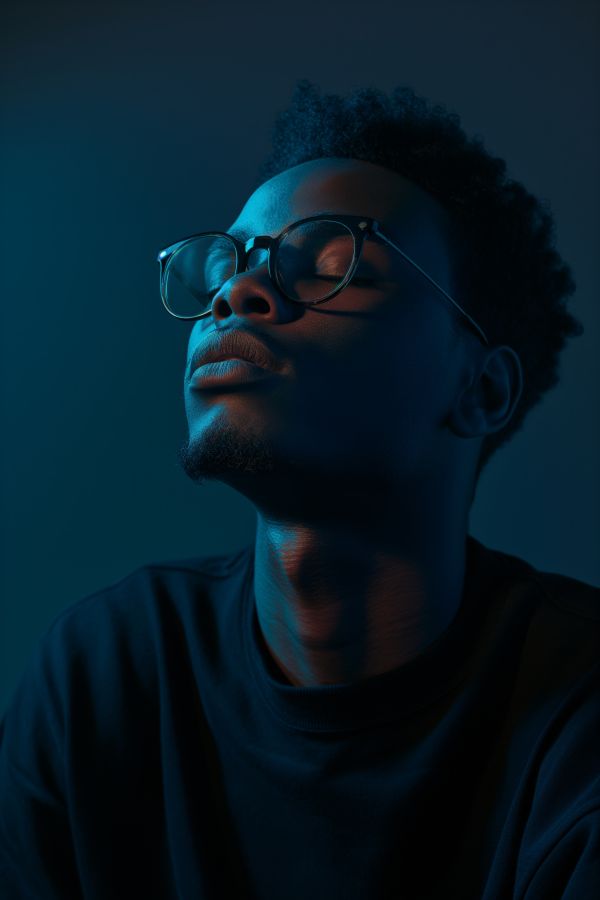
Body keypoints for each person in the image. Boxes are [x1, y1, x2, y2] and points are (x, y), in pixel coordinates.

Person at [1, 79, 598, 899]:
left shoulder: (578, 707)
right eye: (227, 265)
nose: (234, 293)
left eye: (328, 263)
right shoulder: (106, 675)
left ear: (481, 391)